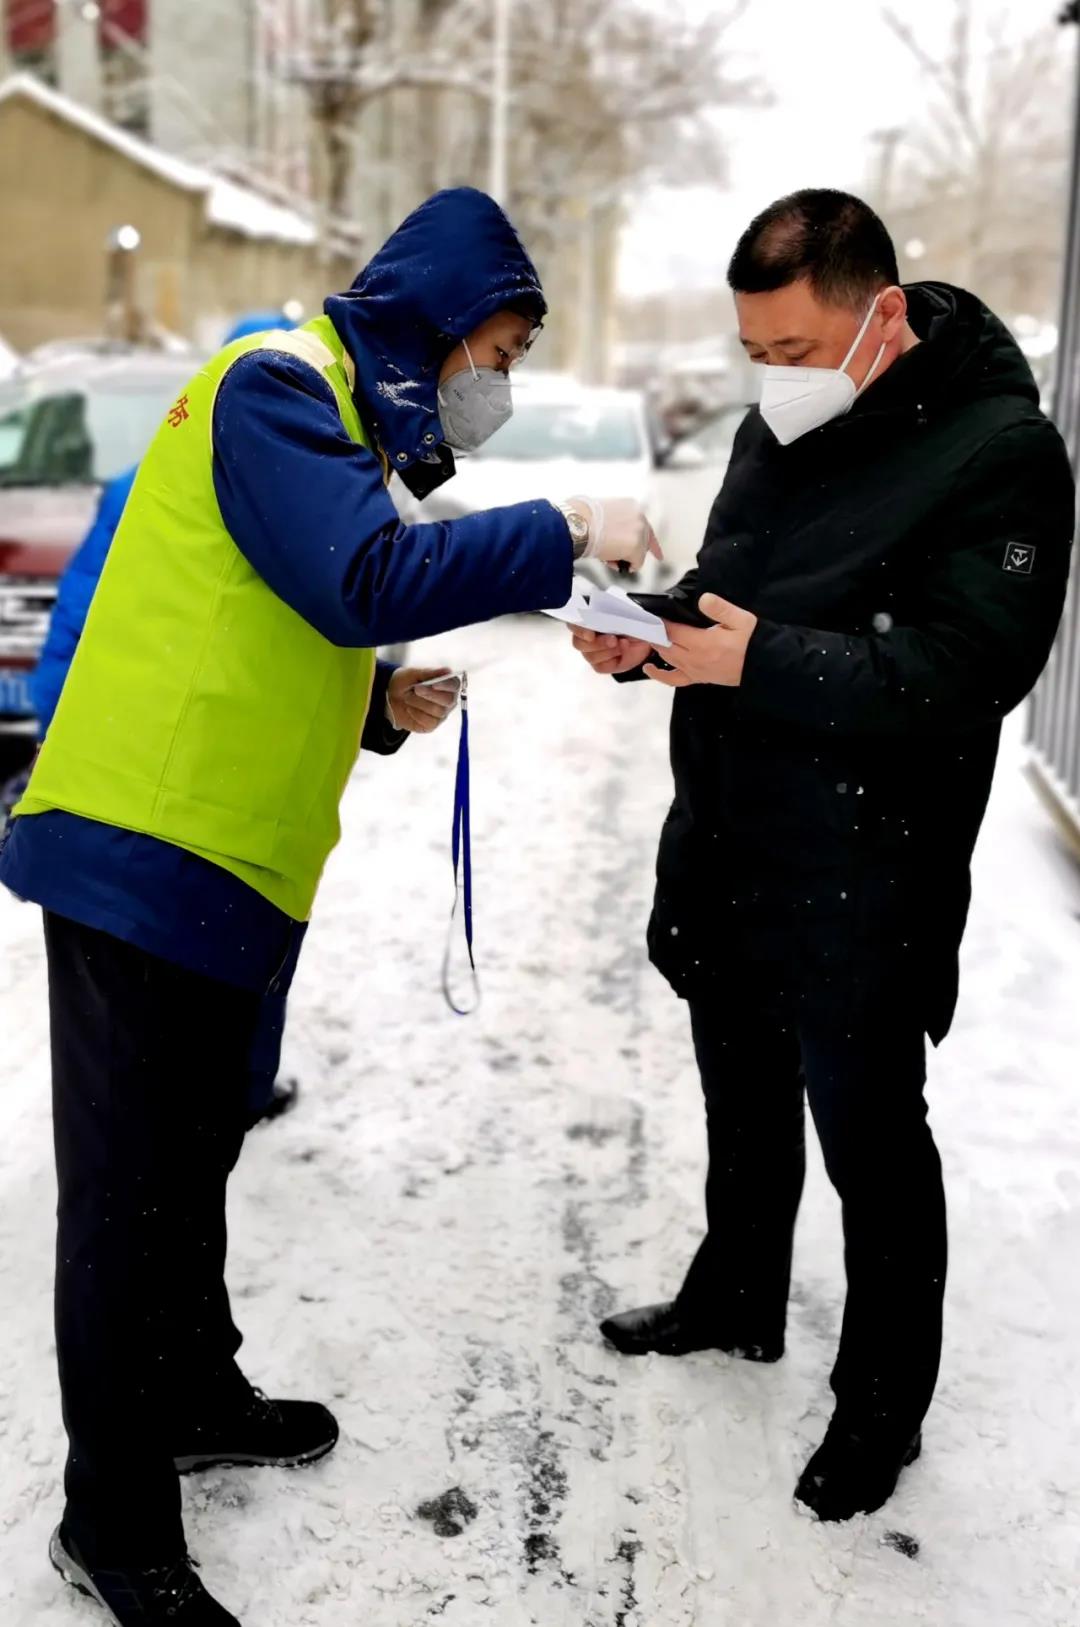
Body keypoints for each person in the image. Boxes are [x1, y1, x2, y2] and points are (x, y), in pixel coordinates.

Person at [0, 186, 658, 1626]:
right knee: (123, 1196)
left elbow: (267, 611)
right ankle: (110, 1521)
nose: (502, 380)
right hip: (138, 847)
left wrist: (373, 699)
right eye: (500, 347)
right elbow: (358, 576)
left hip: (228, 861)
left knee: (190, 1157)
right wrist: (559, 522)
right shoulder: (275, 386)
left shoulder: (336, 429)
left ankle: (186, 1391)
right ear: (434, 323)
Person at [571, 189, 1074, 1523]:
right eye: (754, 352)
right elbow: (739, 599)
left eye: (793, 351)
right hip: (732, 835)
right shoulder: (769, 429)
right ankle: (736, 1292)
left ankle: (881, 1404)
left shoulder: (1000, 451)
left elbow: (968, 667)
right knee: (739, 1095)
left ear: (883, 316)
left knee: (872, 1142)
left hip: (868, 863)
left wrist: (757, 657)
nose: (771, 380)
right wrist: (648, 629)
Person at [29, 313, 307, 1132]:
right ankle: (238, 1091)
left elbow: (83, 605)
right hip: (184, 757)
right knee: (229, 942)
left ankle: (219, 1093)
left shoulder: (158, 472)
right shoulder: (224, 484)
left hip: (134, 733)